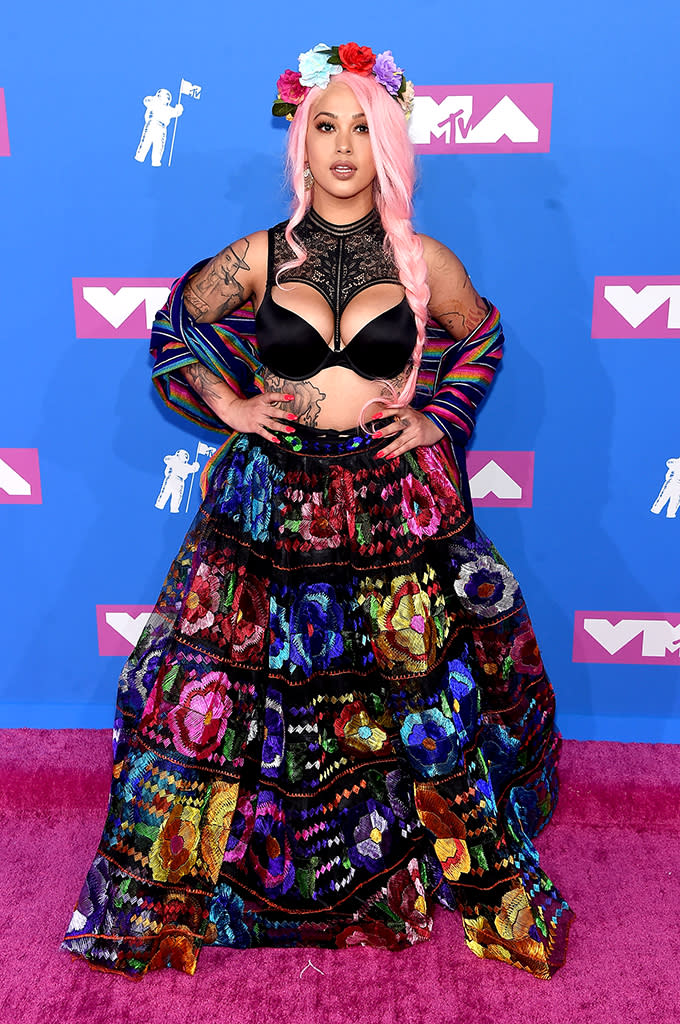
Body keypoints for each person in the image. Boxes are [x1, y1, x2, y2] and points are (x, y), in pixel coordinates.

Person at [61, 42, 574, 980]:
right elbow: (175, 321)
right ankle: (239, 882)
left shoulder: (424, 261)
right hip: (272, 507)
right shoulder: (260, 256)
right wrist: (231, 407)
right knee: (239, 700)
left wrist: (439, 416)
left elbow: (484, 334)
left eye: (360, 129)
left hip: (391, 506)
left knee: (409, 701)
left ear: (389, 144)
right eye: (324, 126)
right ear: (302, 143)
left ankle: (402, 869)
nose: (343, 148)